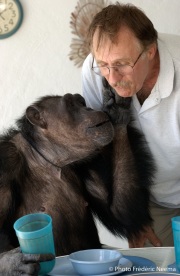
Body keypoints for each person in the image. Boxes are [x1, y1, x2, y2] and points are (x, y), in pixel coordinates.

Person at [82, 2, 180, 247]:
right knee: (150, 268)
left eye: (122, 64)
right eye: (104, 65)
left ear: (150, 50)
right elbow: (104, 149)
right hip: (152, 197)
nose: (112, 78)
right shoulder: (95, 70)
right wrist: (132, 217)